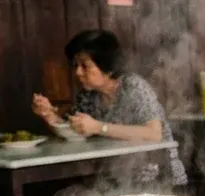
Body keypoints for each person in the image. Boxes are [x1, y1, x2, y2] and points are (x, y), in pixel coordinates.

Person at [32, 31, 186, 186]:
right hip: (116, 177)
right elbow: (74, 129)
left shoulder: (132, 86)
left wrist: (99, 127)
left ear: (107, 66)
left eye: (85, 66)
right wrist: (49, 115)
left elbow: (154, 133)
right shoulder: (88, 95)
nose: (78, 72)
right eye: (75, 65)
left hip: (159, 178)